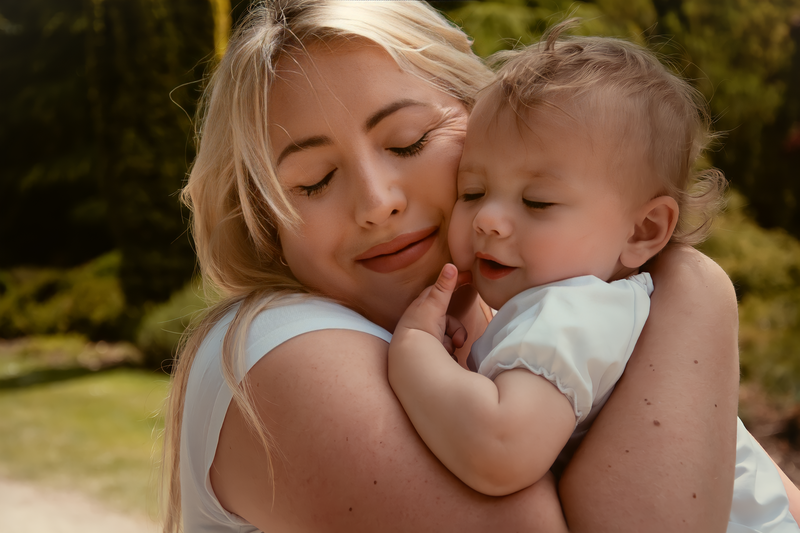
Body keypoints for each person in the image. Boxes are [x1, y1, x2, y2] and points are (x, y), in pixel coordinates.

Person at [161, 1, 756, 531]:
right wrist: (692, 289)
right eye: (313, 182)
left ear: (482, 116)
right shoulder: (279, 348)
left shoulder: (540, 316)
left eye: (409, 141)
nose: (377, 203)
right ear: (266, 223)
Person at [387, 24, 800, 532]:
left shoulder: (573, 310)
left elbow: (499, 450)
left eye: (537, 201)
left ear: (644, 230)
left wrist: (413, 353)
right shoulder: (616, 309)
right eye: (471, 191)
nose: (488, 219)